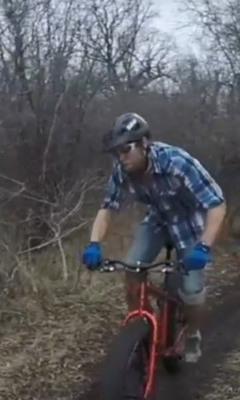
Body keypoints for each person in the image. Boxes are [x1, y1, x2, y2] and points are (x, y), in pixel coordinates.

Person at [81, 113, 227, 364]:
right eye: (117, 152)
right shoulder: (122, 171)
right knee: (133, 267)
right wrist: (94, 244)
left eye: (126, 149)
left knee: (191, 290)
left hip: (189, 222)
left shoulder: (177, 162)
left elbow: (217, 204)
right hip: (158, 218)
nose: (121, 157)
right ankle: (141, 328)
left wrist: (203, 247)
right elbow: (107, 209)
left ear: (144, 143)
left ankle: (192, 333)